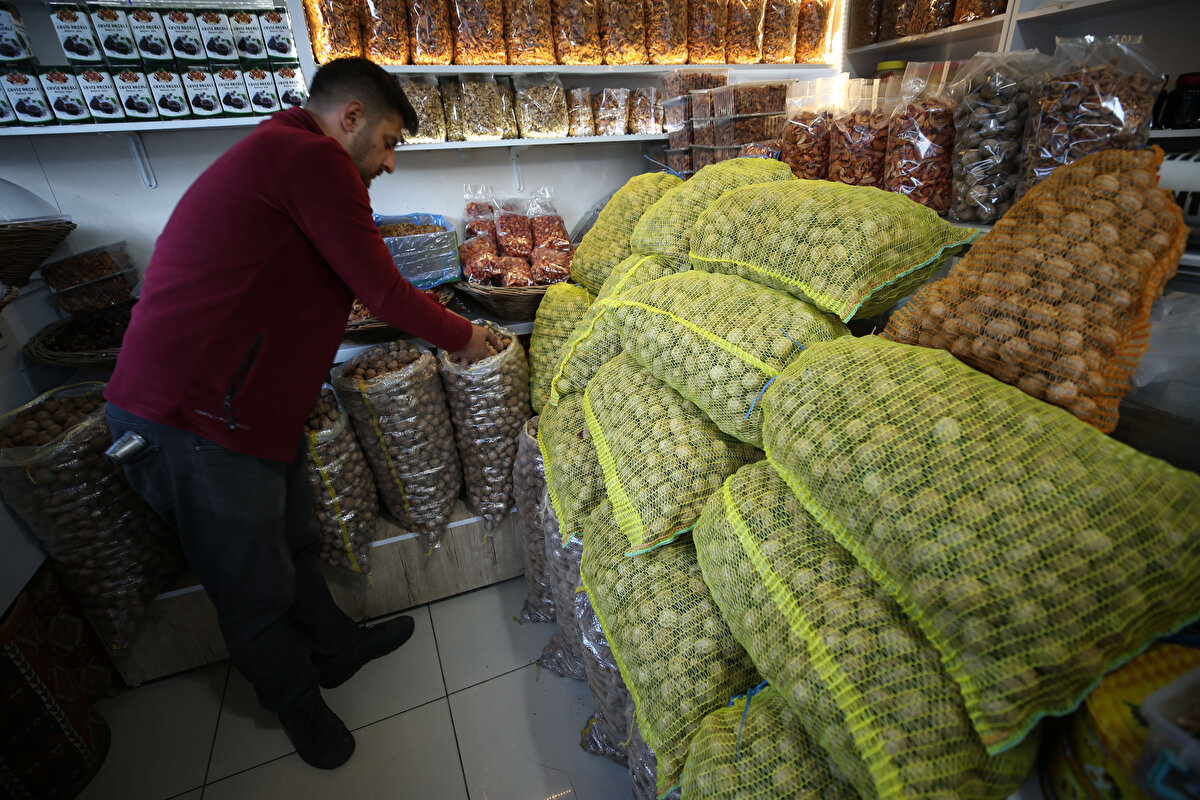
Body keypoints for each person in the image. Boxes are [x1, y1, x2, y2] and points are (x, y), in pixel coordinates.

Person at [104, 58, 501, 770]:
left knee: (292, 538)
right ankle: (297, 704)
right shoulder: (312, 159)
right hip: (192, 417)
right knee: (250, 584)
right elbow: (381, 289)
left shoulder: (285, 152)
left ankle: (338, 648)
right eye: (385, 141)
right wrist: (465, 336)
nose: (385, 162)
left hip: (245, 405)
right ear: (349, 117)